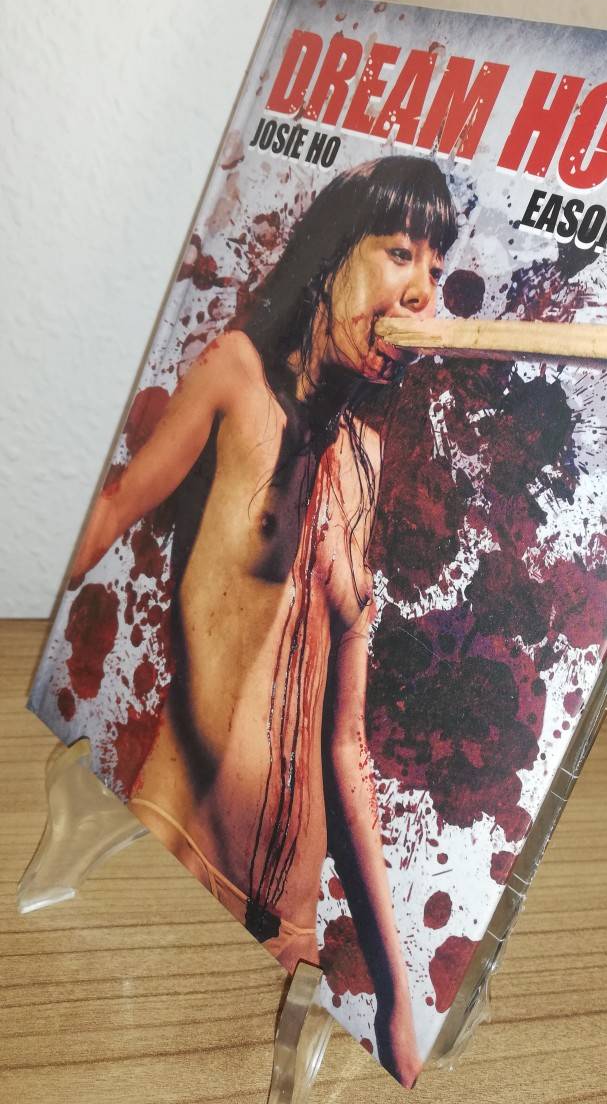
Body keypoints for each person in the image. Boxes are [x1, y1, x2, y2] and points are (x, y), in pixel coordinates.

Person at [70, 154, 458, 1086]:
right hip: (172, 847)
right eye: (400, 252)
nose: (422, 290)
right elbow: (111, 509)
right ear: (333, 254)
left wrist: (398, 998)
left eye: (437, 270)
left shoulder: (365, 462)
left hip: (285, 926)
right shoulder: (236, 375)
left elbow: (346, 745)